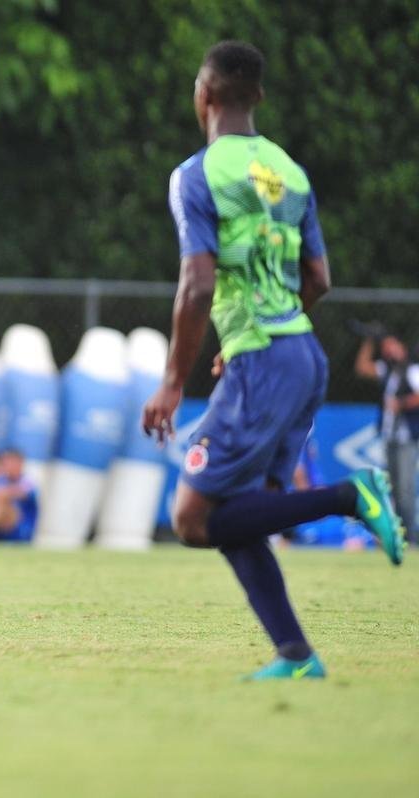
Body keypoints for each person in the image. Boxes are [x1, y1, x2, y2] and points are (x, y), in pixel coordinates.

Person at [141, 41, 404, 681]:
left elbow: (197, 286)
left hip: (263, 362)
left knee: (191, 518)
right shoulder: (291, 173)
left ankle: (350, 494)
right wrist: (263, 335)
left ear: (203, 96)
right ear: (257, 96)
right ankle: (295, 655)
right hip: (301, 356)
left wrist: (173, 383)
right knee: (238, 516)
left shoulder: (197, 175)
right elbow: (319, 279)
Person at [354, 332, 419, 537]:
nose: (389, 351)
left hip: (406, 438)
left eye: (393, 346)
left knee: (405, 488)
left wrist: (402, 403)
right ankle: (396, 532)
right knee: (392, 488)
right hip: (389, 437)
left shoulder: (412, 370)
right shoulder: (388, 371)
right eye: (385, 348)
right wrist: (368, 341)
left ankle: (410, 535)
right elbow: (362, 368)